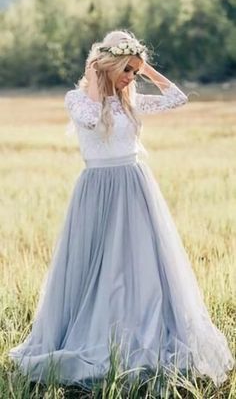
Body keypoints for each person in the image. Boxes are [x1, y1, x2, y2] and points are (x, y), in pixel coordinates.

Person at [9, 30, 234, 391]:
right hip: (97, 190)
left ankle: (140, 330)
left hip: (135, 186)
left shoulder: (131, 101)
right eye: (126, 69)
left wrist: (146, 71)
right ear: (107, 66)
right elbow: (88, 121)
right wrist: (97, 75)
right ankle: (97, 334)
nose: (130, 77)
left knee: (138, 264)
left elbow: (176, 98)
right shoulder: (77, 99)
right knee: (96, 265)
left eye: (134, 70)